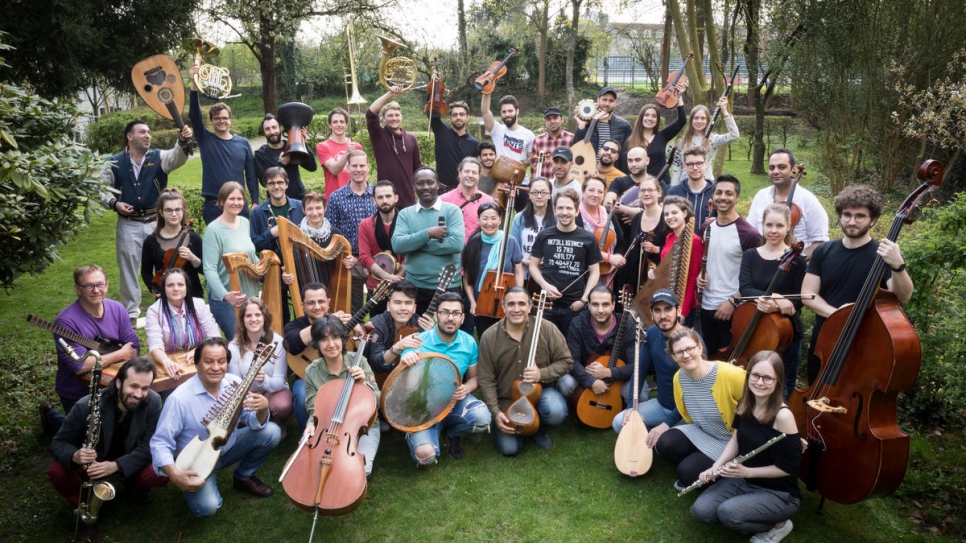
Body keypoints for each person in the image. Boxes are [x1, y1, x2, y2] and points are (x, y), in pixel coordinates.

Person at [150, 338, 281, 517]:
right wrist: (174, 474)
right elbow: (160, 442)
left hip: (227, 449)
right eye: (208, 361)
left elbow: (252, 421)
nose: (216, 367)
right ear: (196, 364)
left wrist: (263, 409)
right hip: (196, 462)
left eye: (221, 361)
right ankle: (202, 487)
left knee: (271, 432)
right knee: (208, 508)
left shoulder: (234, 382)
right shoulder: (179, 399)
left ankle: (243, 476)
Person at [48, 357, 169, 541]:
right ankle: (86, 510)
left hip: (127, 456)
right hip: (95, 460)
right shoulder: (86, 405)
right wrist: (75, 455)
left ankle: (133, 486)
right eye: (133, 386)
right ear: (118, 382)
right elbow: (58, 443)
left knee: (161, 470)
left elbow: (151, 445)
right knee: (57, 472)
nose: (138, 394)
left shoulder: (152, 401)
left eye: (145, 388)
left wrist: (117, 466)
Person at [802, 185, 913, 384]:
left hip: (864, 342)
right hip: (824, 341)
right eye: (847, 214)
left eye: (860, 216)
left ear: (873, 220)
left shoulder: (882, 255)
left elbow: (903, 296)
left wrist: (898, 266)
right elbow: (808, 294)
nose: (852, 221)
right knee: (814, 392)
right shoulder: (823, 251)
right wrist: (838, 315)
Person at [690, 351, 802, 543]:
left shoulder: (783, 417)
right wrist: (715, 466)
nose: (759, 382)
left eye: (768, 378)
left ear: (778, 381)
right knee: (700, 512)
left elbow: (788, 468)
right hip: (743, 481)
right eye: (755, 375)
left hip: (779, 492)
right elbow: (736, 440)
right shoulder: (745, 403)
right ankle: (746, 509)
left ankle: (779, 524)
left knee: (727, 514)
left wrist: (747, 472)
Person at [100, 119, 192, 325]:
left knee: (165, 263)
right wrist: (115, 204)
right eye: (142, 132)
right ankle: (131, 314)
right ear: (129, 136)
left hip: (155, 223)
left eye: (149, 132)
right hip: (128, 223)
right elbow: (102, 190)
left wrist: (183, 141)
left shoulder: (160, 157)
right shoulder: (114, 162)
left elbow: (177, 156)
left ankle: (171, 304)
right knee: (128, 268)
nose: (148, 135)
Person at [41, 265, 139, 435]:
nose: (96, 290)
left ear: (107, 285)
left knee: (121, 432)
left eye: (100, 284)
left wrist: (124, 355)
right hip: (77, 391)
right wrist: (120, 354)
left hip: (111, 384)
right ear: (77, 289)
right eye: (89, 286)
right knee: (89, 439)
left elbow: (134, 348)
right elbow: (81, 365)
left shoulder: (117, 309)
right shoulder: (66, 321)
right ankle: (50, 416)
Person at [398, 293, 492, 464]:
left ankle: (451, 434)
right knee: (425, 456)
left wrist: (467, 388)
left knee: (482, 418)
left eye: (455, 313)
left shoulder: (469, 342)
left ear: (462, 318)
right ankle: (425, 434)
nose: (450, 318)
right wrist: (404, 361)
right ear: (436, 316)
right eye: (445, 312)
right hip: (421, 407)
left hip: (454, 401)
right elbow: (399, 385)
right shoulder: (417, 341)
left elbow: (475, 378)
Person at [478, 287, 573, 455]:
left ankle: (539, 429)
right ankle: (521, 427)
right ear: (504, 307)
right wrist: (496, 412)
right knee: (510, 449)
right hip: (507, 398)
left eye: (521, 303)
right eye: (511, 304)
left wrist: (541, 374)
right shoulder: (489, 336)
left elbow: (566, 361)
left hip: (540, 392)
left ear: (530, 307)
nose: (516, 309)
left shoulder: (546, 328)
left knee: (556, 410)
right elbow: (486, 379)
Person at [651, 328, 746, 488]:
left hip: (731, 441)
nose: (686, 355)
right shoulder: (678, 379)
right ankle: (700, 458)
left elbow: (763, 402)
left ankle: (716, 465)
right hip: (703, 431)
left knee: (686, 472)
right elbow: (685, 413)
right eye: (679, 352)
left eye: (690, 348)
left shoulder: (731, 374)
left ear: (700, 347)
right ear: (673, 356)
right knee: (664, 443)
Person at [739, 204, 807, 398]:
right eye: (769, 225)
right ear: (762, 226)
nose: (773, 230)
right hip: (755, 326)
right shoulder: (751, 255)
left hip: (786, 331)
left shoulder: (798, 261)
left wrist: (778, 306)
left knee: (783, 381)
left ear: (788, 227)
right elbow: (746, 289)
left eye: (779, 225)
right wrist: (776, 297)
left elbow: (800, 298)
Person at [302, 315, 381, 476]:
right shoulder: (312, 371)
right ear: (317, 344)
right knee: (315, 466)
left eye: (336, 337)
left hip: (361, 427)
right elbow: (314, 409)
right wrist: (311, 425)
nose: (331, 344)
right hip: (328, 427)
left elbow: (378, 402)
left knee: (359, 469)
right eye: (324, 339)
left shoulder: (359, 361)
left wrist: (363, 383)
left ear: (343, 339)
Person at [695, 175, 761, 355]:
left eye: (728, 193)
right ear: (713, 195)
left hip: (733, 309)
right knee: (710, 360)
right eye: (719, 192)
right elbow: (706, 261)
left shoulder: (749, 235)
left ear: (737, 197)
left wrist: (733, 301)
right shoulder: (706, 228)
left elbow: (757, 277)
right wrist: (699, 277)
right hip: (706, 306)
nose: (723, 197)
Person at [611, 289, 690, 433]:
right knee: (619, 422)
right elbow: (639, 370)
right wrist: (631, 407)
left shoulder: (691, 342)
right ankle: (650, 429)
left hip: (686, 413)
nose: (663, 316)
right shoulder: (653, 333)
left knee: (664, 445)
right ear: (652, 314)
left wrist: (667, 423)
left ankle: (659, 431)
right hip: (661, 405)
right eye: (657, 310)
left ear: (678, 311)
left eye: (668, 309)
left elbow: (694, 394)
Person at [189, 65, 258, 224]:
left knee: (240, 248)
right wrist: (194, 83)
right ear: (212, 121)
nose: (222, 121)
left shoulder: (243, 143)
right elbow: (194, 116)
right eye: (217, 118)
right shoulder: (205, 139)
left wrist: (254, 201)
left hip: (238, 203)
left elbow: (251, 175)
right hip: (214, 205)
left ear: (230, 120)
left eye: (225, 118)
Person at [528, 188, 602, 335]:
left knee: (572, 349)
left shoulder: (588, 238)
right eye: (560, 208)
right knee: (543, 347)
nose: (564, 212)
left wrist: (583, 300)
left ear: (576, 211)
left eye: (569, 208)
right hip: (546, 305)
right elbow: (533, 266)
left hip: (574, 306)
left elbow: (595, 272)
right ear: (554, 210)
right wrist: (544, 285)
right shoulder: (544, 235)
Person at [391, 167, 465, 315]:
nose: (425, 187)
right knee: (416, 334)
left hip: (448, 286)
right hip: (414, 287)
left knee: (447, 331)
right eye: (420, 183)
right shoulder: (405, 214)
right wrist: (428, 234)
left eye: (430, 182)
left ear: (438, 185)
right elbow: (398, 246)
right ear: (414, 186)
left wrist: (414, 244)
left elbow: (456, 244)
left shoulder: (452, 211)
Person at [284, 283, 353, 433]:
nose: (317, 307)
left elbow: (358, 348)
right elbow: (292, 344)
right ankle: (307, 436)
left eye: (321, 301)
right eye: (311, 303)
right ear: (302, 305)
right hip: (307, 376)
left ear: (328, 302)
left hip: (340, 374)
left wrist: (359, 330)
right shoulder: (295, 325)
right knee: (302, 396)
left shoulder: (338, 322)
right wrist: (322, 324)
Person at [557, 285, 636, 404]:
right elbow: (571, 361)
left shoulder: (627, 325)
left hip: (618, 378)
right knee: (565, 383)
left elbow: (635, 365)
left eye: (605, 304)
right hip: (585, 374)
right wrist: (591, 381)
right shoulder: (578, 324)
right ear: (588, 305)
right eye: (595, 304)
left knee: (641, 391)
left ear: (613, 305)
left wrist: (608, 372)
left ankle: (623, 411)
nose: (600, 310)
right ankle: (576, 405)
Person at [746, 148, 830, 260]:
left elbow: (820, 242)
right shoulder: (761, 196)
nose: (775, 171)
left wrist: (795, 260)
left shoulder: (808, 200)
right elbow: (751, 233)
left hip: (794, 269)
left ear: (794, 169)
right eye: (772, 168)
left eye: (782, 167)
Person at [145, 268, 220, 386]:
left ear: (187, 287)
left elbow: (215, 336)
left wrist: (199, 351)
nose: (176, 289)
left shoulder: (198, 304)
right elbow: (155, 346)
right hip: (169, 361)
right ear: (164, 289)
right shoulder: (154, 311)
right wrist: (167, 362)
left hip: (196, 360)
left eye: (180, 284)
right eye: (170, 285)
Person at [249, 167, 306, 323]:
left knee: (303, 309)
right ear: (266, 187)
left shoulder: (301, 207)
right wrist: (271, 233)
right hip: (273, 270)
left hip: (299, 267)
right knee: (280, 316)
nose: (276, 186)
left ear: (287, 184)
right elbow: (254, 245)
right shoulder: (257, 212)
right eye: (271, 183)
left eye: (280, 182)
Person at [202, 182, 258, 338]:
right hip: (226, 299)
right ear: (221, 201)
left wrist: (270, 265)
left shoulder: (245, 223)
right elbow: (209, 268)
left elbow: (250, 257)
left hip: (249, 293)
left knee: (256, 341)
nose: (236, 202)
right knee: (239, 342)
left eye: (239, 199)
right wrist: (226, 295)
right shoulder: (213, 230)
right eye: (231, 198)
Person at [326, 150, 378, 314]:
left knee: (378, 308)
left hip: (376, 261)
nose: (358, 169)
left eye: (362, 165)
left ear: (368, 167)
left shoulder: (378, 194)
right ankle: (356, 339)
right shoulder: (336, 197)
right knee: (354, 312)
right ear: (347, 168)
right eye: (354, 166)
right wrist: (342, 257)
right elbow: (331, 233)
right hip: (350, 261)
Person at [228, 297, 292, 429]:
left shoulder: (278, 342)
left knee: (283, 405)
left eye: (258, 315)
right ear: (242, 320)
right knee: (238, 416)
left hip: (273, 391)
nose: (253, 319)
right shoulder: (234, 346)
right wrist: (251, 400)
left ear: (265, 318)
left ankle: (280, 423)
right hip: (247, 393)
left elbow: (279, 382)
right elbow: (235, 383)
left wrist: (264, 380)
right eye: (248, 316)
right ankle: (254, 424)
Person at [462, 203, 525, 336]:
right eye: (485, 218)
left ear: (500, 219)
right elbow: (467, 279)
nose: (489, 223)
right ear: (478, 220)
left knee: (507, 338)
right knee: (484, 337)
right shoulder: (473, 243)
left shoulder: (510, 241)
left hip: (506, 299)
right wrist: (473, 302)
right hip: (481, 302)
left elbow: (519, 273)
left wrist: (518, 296)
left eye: (493, 218)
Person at [141, 188, 204, 301]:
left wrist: (192, 257)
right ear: (161, 213)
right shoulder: (151, 241)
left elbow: (205, 269)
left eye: (177, 210)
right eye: (169, 210)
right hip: (165, 297)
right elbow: (146, 272)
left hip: (192, 296)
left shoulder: (193, 238)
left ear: (183, 211)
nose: (174, 214)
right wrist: (155, 289)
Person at [367, 87, 423, 208]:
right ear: (383, 118)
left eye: (397, 115)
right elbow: (370, 113)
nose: (394, 118)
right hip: (385, 198)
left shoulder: (411, 139)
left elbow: (418, 168)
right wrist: (389, 94)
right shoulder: (378, 136)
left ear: (401, 116)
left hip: (408, 197)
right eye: (390, 115)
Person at [358, 181, 406, 317]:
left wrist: (397, 278)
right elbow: (364, 257)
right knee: (376, 331)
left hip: (402, 285)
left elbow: (411, 256)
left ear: (396, 198)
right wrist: (387, 277)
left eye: (388, 196)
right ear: (374, 200)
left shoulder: (407, 222)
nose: (384, 200)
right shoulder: (365, 225)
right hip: (377, 287)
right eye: (380, 197)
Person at [669, 97, 739, 187]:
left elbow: (734, 135)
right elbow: (677, 168)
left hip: (706, 186)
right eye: (696, 118)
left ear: (707, 121)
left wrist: (725, 112)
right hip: (685, 186)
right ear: (691, 121)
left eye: (703, 118)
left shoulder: (713, 140)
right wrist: (673, 190)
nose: (699, 121)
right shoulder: (682, 142)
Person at [616, 174, 667, 294]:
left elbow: (675, 247)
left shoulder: (666, 218)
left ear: (659, 193)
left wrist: (658, 249)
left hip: (656, 275)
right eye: (643, 190)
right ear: (639, 194)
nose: (646, 193)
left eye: (650, 190)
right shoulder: (637, 218)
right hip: (634, 275)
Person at [367, 281, 426, 383]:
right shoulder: (377, 324)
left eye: (408, 303)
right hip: (379, 382)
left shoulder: (420, 324)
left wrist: (433, 332)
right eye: (397, 302)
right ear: (388, 306)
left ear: (414, 308)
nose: (402, 308)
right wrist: (397, 347)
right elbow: (376, 362)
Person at [659, 196, 705, 324]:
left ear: (685, 213)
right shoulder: (669, 237)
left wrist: (682, 312)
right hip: (667, 298)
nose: (670, 217)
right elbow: (665, 266)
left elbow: (691, 279)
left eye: (674, 212)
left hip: (684, 303)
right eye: (666, 214)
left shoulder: (694, 241)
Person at [253, 113, 317, 201]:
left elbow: (312, 167)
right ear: (264, 132)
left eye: (274, 127)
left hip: (298, 198)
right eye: (267, 129)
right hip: (276, 201)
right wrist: (281, 165)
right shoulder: (261, 154)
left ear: (280, 127)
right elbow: (264, 182)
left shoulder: (291, 146)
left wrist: (304, 144)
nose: (272, 132)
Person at [623, 99, 687, 185]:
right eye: (647, 115)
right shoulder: (630, 141)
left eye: (654, 116)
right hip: (638, 185)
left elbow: (682, 120)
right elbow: (624, 166)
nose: (650, 118)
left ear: (657, 120)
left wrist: (678, 97)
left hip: (661, 183)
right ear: (641, 118)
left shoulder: (663, 136)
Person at [578, 174, 626, 283]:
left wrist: (617, 257)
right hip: (583, 274)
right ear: (583, 191)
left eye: (600, 192)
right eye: (591, 190)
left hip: (608, 272)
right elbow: (580, 247)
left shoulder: (610, 214)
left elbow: (621, 242)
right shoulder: (576, 215)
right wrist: (609, 258)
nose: (596, 195)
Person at [573, 86, 633, 172]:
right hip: (588, 173)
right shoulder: (587, 123)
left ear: (615, 103)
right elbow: (575, 149)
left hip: (613, 174)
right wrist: (581, 126)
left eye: (611, 101)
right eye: (604, 99)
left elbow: (626, 155)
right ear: (598, 100)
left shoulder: (624, 126)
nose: (607, 104)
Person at [441, 157, 496, 242]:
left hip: (477, 251)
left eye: (474, 172)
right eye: (467, 171)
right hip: (451, 252)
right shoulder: (444, 200)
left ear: (479, 175)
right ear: (460, 173)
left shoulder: (488, 201)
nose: (470, 175)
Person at [510, 177, 555, 280]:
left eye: (543, 193)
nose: (539, 196)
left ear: (550, 195)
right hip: (523, 273)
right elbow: (514, 246)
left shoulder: (556, 219)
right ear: (529, 195)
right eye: (534, 192)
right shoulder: (520, 218)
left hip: (547, 274)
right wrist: (523, 261)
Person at [430, 100, 480, 191]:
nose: (458, 117)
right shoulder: (441, 131)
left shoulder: (474, 144)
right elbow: (431, 110)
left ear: (467, 117)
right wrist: (434, 89)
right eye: (455, 115)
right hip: (442, 191)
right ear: (450, 117)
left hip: (463, 192)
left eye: (461, 114)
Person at [316, 107, 362, 199]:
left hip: (355, 197)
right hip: (334, 198)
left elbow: (362, 173)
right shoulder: (323, 146)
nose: (339, 124)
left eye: (342, 122)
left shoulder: (357, 147)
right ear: (330, 125)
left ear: (347, 124)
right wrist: (347, 153)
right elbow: (334, 170)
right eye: (335, 122)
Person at [667, 146, 716, 231]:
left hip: (709, 243)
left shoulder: (717, 192)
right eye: (690, 164)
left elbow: (729, 221)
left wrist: (717, 221)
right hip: (680, 243)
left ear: (706, 164)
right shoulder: (673, 192)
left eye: (699, 163)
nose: (695, 168)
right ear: (684, 166)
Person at [481, 94, 534, 168]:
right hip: (499, 177)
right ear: (501, 113)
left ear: (517, 111)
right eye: (504, 112)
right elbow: (485, 111)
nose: (507, 114)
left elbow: (534, 159)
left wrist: (521, 163)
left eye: (510, 111)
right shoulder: (496, 129)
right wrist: (487, 91)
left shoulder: (528, 134)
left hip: (521, 178)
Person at [531, 106, 574, 179]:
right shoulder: (538, 140)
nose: (552, 121)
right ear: (545, 122)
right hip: (545, 186)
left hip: (565, 186)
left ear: (562, 119)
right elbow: (534, 167)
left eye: (555, 118)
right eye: (549, 119)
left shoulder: (571, 139)